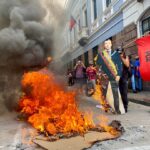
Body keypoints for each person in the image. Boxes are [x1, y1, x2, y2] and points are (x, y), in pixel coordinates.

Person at [96, 39, 126, 114]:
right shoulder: (101, 55)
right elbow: (98, 66)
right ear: (104, 45)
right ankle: (107, 107)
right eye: (105, 44)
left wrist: (118, 75)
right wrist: (101, 74)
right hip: (105, 78)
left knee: (115, 94)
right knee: (104, 94)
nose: (107, 45)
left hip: (114, 76)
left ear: (111, 44)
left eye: (109, 43)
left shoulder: (115, 54)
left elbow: (119, 65)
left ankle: (117, 110)